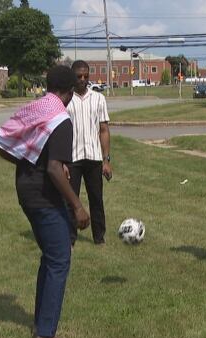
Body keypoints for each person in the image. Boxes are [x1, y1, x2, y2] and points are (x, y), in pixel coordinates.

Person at [0, 65, 90, 338]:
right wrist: (77, 207)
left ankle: (40, 323)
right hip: (43, 195)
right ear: (70, 91)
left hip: (25, 188)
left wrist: (28, 162)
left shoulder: (37, 107)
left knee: (50, 256)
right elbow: (56, 170)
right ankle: (45, 335)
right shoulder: (61, 118)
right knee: (60, 258)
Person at [66, 60, 112, 247]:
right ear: (72, 77)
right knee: (71, 199)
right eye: (79, 76)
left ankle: (99, 237)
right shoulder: (66, 99)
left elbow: (103, 130)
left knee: (96, 199)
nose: (83, 80)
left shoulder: (98, 98)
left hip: (93, 157)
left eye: (86, 76)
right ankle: (70, 238)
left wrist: (106, 160)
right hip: (72, 158)